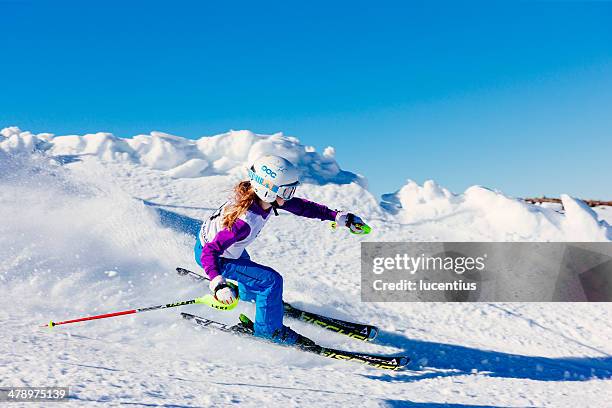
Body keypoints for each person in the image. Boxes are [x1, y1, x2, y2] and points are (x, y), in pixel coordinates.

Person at [194, 154, 367, 346]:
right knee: (271, 281)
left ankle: (259, 300)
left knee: (252, 273)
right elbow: (209, 252)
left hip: (225, 249)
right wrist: (218, 284)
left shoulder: (258, 198)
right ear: (267, 190)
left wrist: (337, 216)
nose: (290, 196)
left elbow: (302, 207)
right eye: (287, 191)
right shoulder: (245, 222)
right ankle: (268, 331)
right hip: (215, 258)